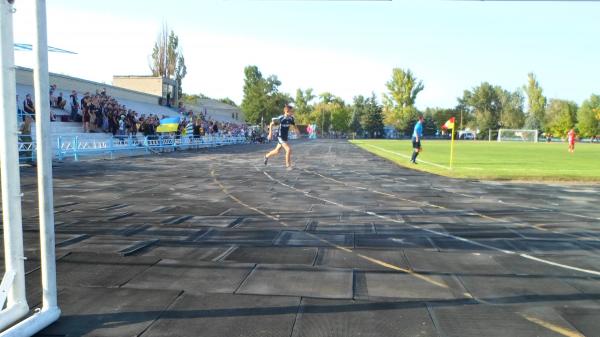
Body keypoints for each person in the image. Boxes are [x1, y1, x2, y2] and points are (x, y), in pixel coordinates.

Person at [264, 104, 299, 169]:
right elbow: (271, 124)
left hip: (285, 137)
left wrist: (297, 131)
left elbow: (294, 125)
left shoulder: (291, 118)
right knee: (288, 150)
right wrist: (270, 134)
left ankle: (266, 156)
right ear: (286, 111)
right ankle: (288, 165)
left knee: (276, 151)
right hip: (280, 137)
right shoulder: (281, 118)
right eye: (291, 111)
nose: (292, 113)